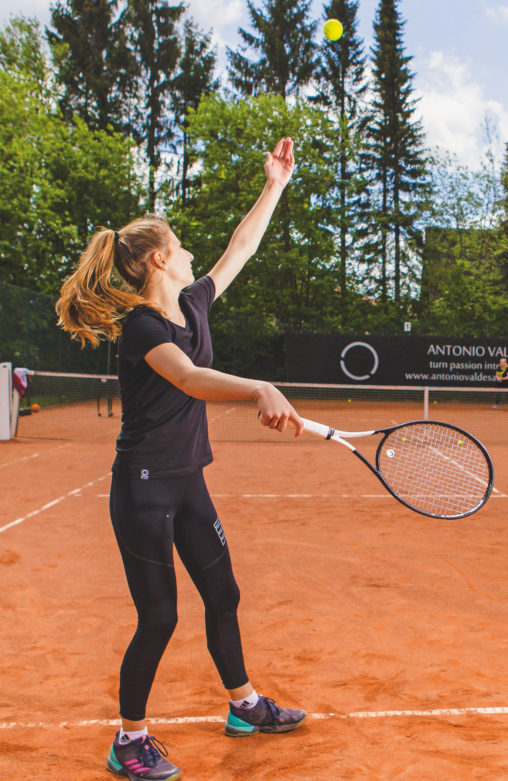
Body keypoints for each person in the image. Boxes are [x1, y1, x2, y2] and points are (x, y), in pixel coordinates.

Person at [56, 138, 307, 781]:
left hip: (188, 481)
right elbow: (190, 379)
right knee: (159, 616)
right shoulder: (142, 327)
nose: (193, 252)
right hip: (144, 489)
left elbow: (240, 248)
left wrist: (274, 184)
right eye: (182, 245)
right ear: (160, 258)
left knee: (223, 593)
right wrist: (258, 387)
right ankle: (129, 740)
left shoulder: (192, 304)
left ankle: (244, 707)